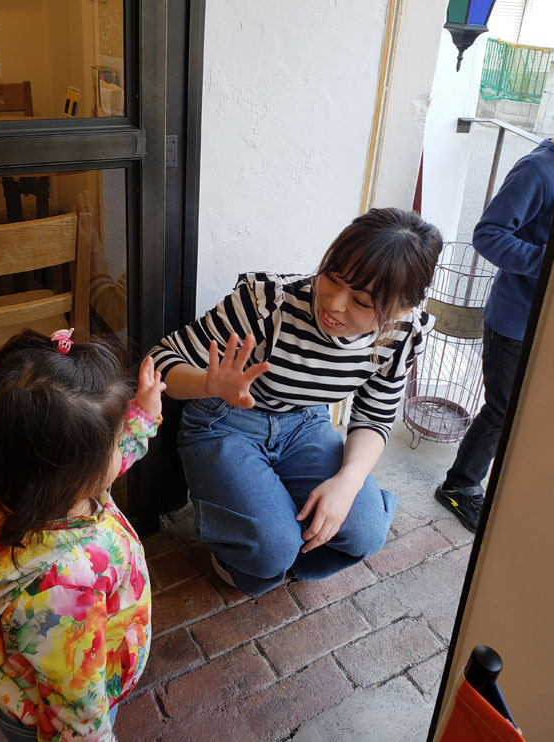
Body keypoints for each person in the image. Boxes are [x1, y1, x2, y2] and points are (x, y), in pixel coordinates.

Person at [149, 207, 442, 597]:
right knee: (271, 551)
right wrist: (208, 383)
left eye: (360, 300)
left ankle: (277, 541)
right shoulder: (268, 304)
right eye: (332, 279)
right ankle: (252, 549)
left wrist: (348, 482)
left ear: (402, 309)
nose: (334, 304)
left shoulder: (402, 334)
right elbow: (162, 358)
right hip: (224, 421)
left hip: (305, 424)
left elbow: (374, 416)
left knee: (365, 529)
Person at [0, 328, 165, 741]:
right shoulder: (64, 590)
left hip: (21, 680)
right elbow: (77, 715)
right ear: (68, 478)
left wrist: (141, 416)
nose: (118, 444)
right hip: (54, 707)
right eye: (113, 440)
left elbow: (101, 463)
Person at [434, 55, 554, 533]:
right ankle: (459, 486)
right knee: (504, 407)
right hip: (515, 320)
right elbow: (489, 235)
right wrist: (552, 264)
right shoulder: (539, 170)